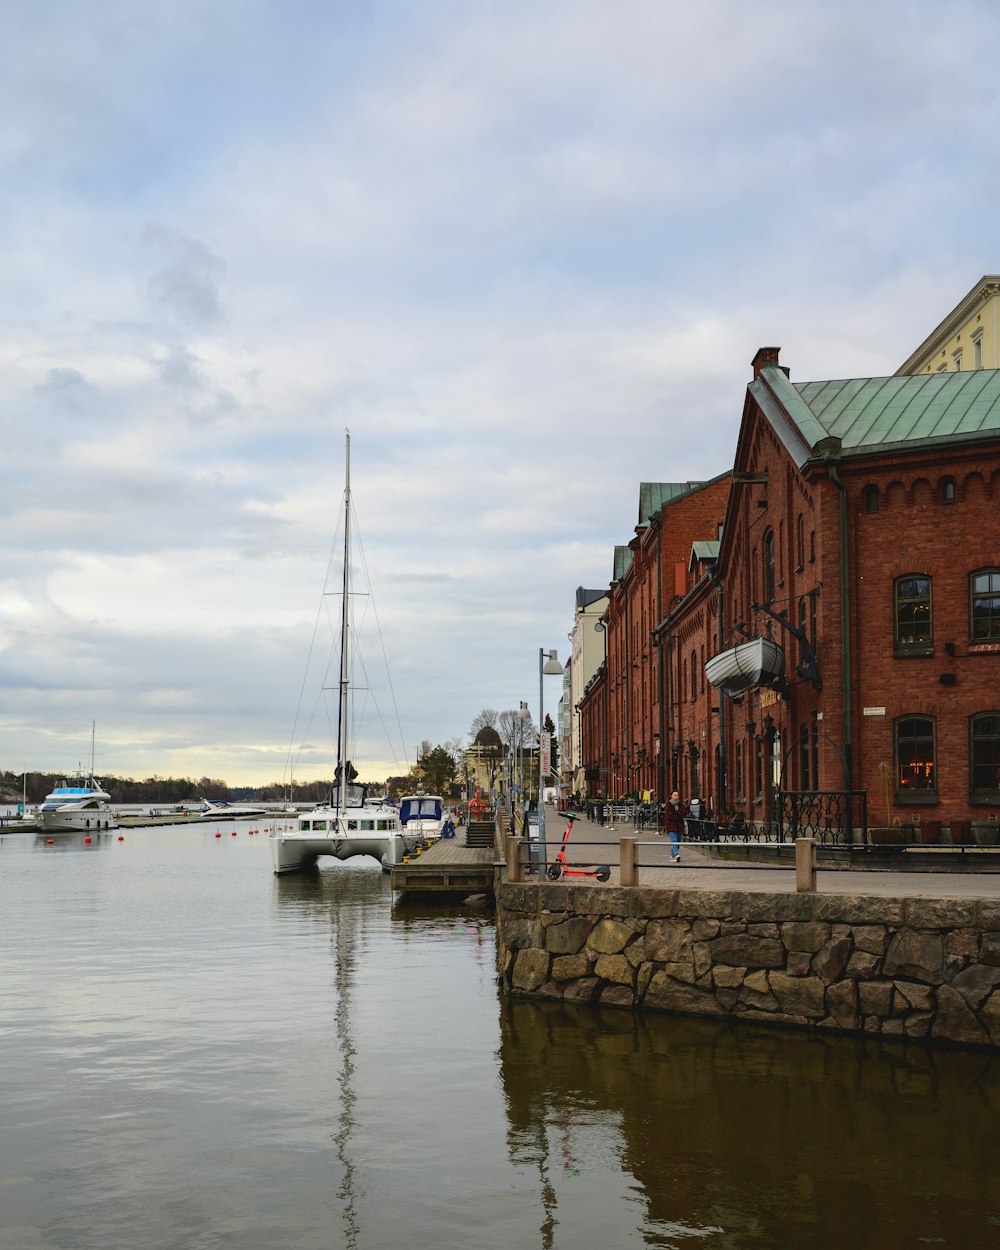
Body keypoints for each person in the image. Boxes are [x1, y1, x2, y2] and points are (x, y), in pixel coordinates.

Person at [664, 790, 683, 863]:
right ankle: (676, 854)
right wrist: (678, 815)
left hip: (679, 826)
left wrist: (678, 814)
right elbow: (669, 815)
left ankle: (672, 856)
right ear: (671, 796)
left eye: (677, 795)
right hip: (671, 826)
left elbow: (684, 812)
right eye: (674, 795)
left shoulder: (680, 804)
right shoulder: (668, 805)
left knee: (678, 842)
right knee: (674, 840)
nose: (676, 797)